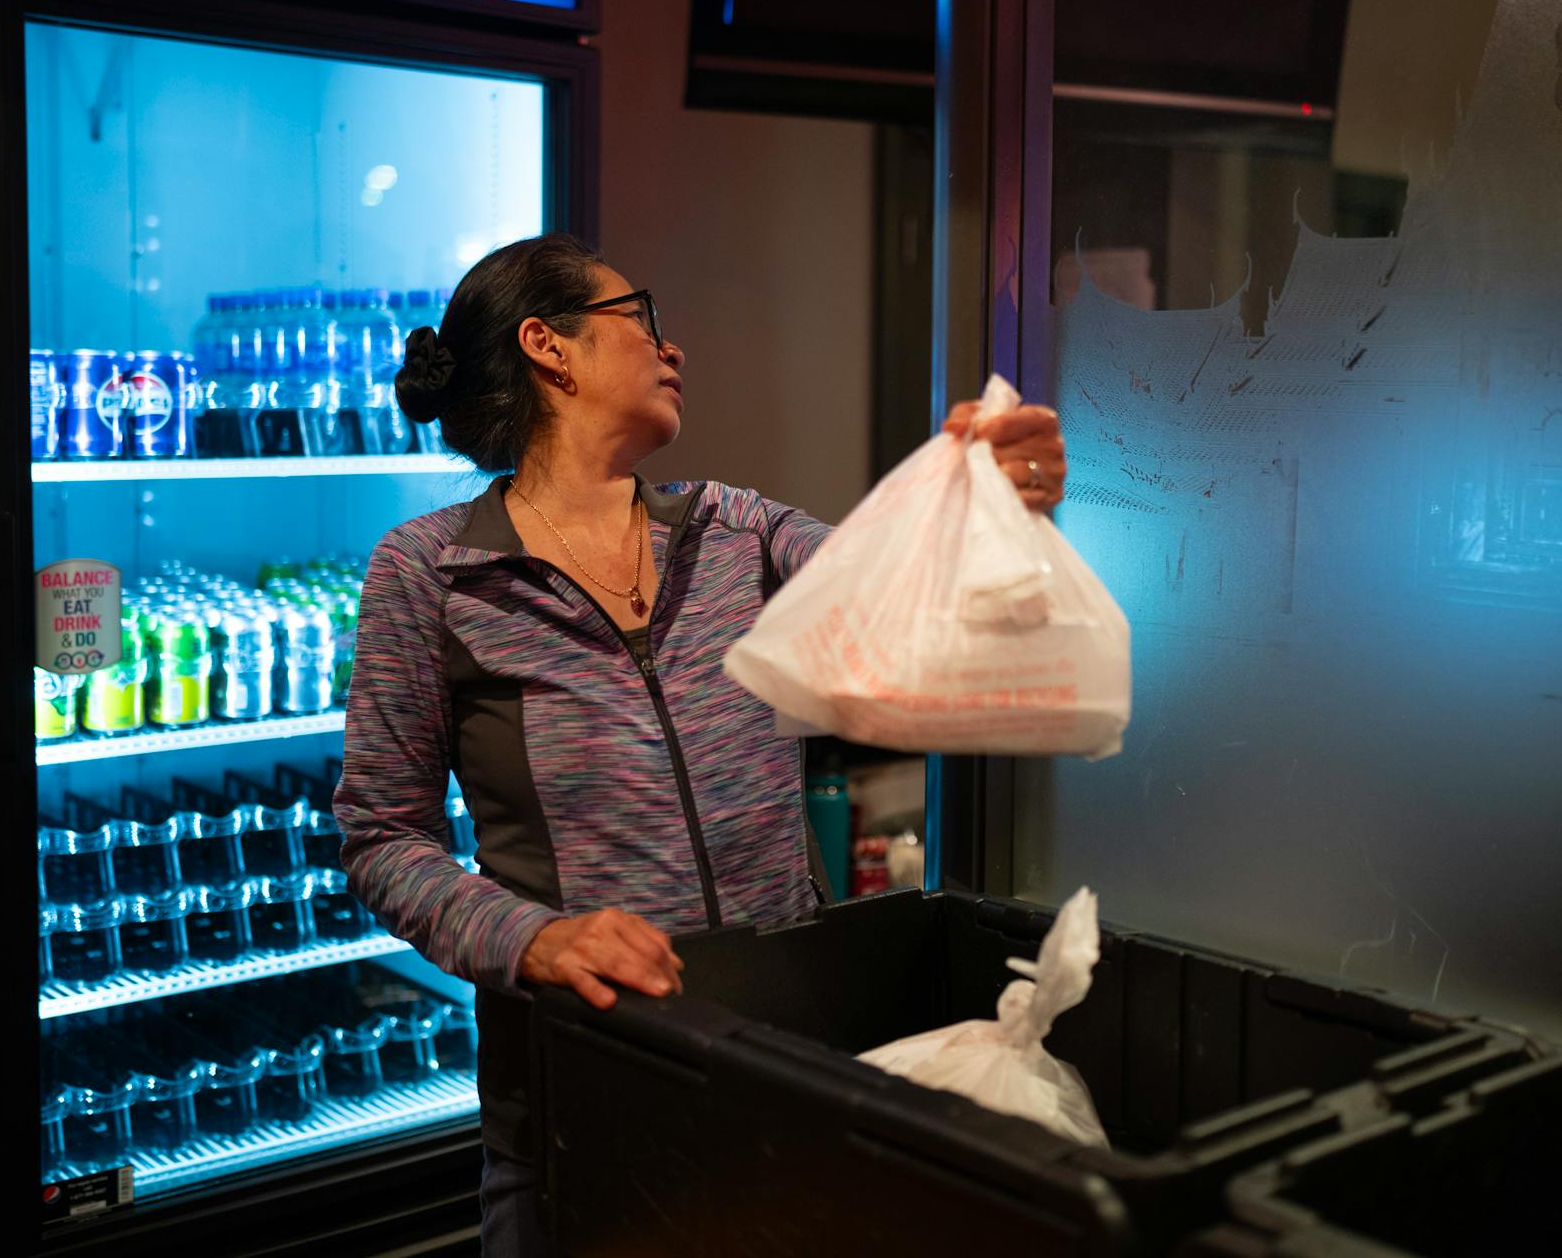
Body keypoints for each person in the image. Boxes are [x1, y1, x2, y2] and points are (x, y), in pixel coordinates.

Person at [334, 234, 1068, 1256]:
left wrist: (975, 507)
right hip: (585, 1087)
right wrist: (534, 940)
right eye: (641, 318)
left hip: (785, 1064)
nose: (672, 348)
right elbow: (382, 836)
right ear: (550, 346)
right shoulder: (432, 571)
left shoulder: (736, 528)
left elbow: (893, 591)